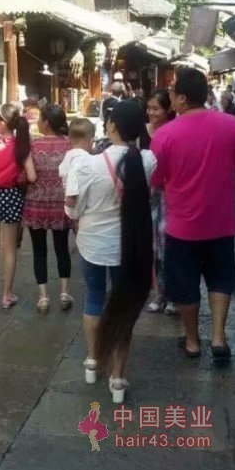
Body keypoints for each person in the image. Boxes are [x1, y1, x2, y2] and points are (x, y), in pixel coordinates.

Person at [151, 66, 235, 360]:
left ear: (182, 98)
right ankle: (218, 338)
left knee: (184, 285)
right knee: (220, 278)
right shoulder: (231, 126)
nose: (170, 96)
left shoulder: (165, 135)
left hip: (182, 227)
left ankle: (192, 342)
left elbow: (156, 180)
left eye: (173, 91)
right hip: (222, 224)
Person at [66, 101, 156, 403]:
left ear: (113, 125)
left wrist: (73, 210)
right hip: (129, 248)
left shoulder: (88, 165)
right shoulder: (147, 161)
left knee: (94, 298)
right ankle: (117, 378)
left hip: (93, 244)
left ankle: (93, 361)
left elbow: (75, 209)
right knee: (123, 308)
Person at [0, 103, 36, 313]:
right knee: (10, 249)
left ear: (2, 123)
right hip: (11, 197)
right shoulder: (21, 147)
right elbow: (32, 176)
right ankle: (6, 296)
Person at [22, 104, 72, 314]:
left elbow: (30, 176)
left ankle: (43, 297)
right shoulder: (69, 145)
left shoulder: (32, 145)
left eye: (40, 118)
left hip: (36, 205)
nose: (37, 122)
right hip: (61, 205)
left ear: (47, 122)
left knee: (39, 252)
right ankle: (64, 293)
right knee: (62, 249)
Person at [143, 90, 178, 315]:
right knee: (154, 245)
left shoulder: (174, 131)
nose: (151, 112)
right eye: (149, 108)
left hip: (169, 194)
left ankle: (174, 294)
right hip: (149, 193)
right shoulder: (143, 130)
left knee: (169, 244)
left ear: (168, 110)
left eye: (156, 108)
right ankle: (160, 291)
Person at [59, 117, 95, 206]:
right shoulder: (81, 155)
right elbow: (73, 173)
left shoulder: (69, 154)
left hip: (69, 196)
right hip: (76, 199)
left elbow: (63, 171)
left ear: (69, 139)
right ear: (91, 141)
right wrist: (71, 195)